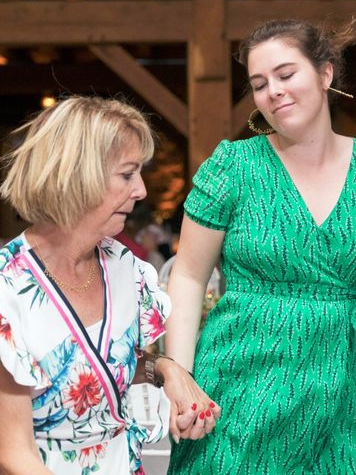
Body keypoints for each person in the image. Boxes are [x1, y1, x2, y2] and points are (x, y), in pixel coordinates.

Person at [165, 18, 356, 474]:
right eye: (259, 84)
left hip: (336, 393)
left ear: (325, 73)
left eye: (285, 74)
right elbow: (189, 274)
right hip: (236, 392)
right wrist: (180, 376)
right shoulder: (233, 165)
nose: (272, 91)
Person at [0, 96, 220, 475]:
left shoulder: (124, 268)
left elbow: (100, 364)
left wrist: (166, 371)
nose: (141, 191)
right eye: (126, 174)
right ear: (77, 175)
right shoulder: (8, 289)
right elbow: (13, 454)